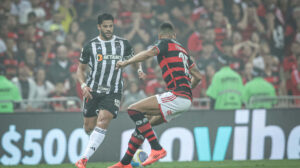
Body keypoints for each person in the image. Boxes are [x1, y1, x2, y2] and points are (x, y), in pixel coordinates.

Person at [109, 22, 202, 168]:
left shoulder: (165, 43)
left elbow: (148, 53)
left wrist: (127, 62)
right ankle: (125, 163)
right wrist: (188, 89)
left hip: (177, 96)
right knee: (144, 124)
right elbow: (198, 76)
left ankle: (156, 148)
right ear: (175, 35)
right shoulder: (183, 50)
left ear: (160, 36)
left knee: (133, 110)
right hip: (184, 99)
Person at [75, 13, 144, 168]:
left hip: (113, 90)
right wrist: (83, 85)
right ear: (99, 27)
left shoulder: (123, 44)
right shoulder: (89, 46)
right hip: (93, 90)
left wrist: (138, 69)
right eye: (105, 26)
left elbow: (133, 60)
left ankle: (83, 159)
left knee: (104, 120)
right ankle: (87, 152)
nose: (108, 29)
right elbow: (80, 69)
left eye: (110, 26)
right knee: (88, 127)